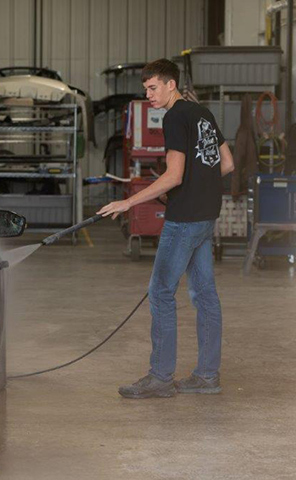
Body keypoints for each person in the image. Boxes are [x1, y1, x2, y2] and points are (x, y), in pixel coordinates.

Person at [97, 58, 235, 399]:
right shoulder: (202, 113)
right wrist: (200, 186)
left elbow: (173, 176)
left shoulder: (174, 116)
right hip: (206, 216)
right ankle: (206, 376)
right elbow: (227, 163)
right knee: (204, 295)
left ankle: (160, 376)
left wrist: (127, 203)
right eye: (145, 89)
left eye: (153, 87)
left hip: (185, 219)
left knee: (160, 292)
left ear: (171, 84)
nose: (149, 95)